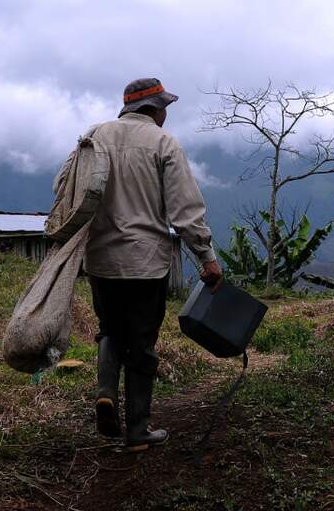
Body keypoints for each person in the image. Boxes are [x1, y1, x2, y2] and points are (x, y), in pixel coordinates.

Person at [61, 77, 223, 451]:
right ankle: (137, 430)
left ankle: (106, 391)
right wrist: (207, 257)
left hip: (101, 260)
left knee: (110, 329)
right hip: (146, 263)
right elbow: (185, 211)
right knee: (142, 342)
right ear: (156, 109)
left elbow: (64, 188)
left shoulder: (94, 136)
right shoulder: (163, 143)